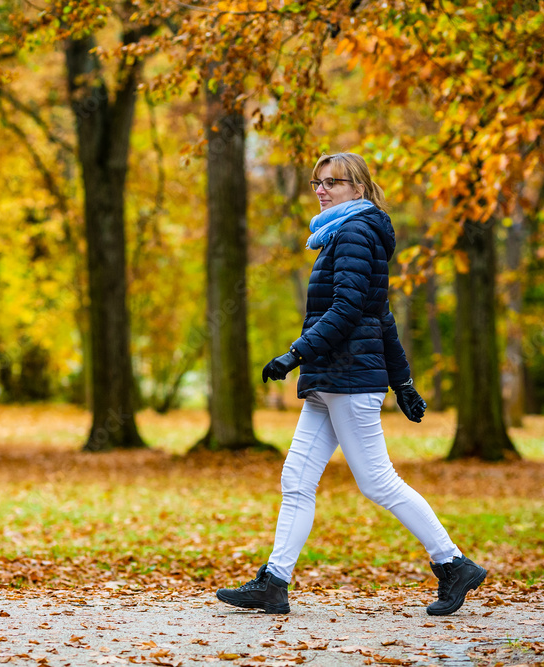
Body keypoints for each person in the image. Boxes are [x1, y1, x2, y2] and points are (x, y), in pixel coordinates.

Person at [216, 152, 486, 616]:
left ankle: (453, 563)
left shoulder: (357, 232)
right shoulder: (339, 234)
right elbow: (379, 315)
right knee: (296, 480)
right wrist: (403, 382)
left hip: (347, 378)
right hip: (332, 379)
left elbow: (346, 311)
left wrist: (294, 354)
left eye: (333, 182)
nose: (321, 189)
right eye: (316, 182)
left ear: (358, 189)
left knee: (378, 482)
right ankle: (274, 582)